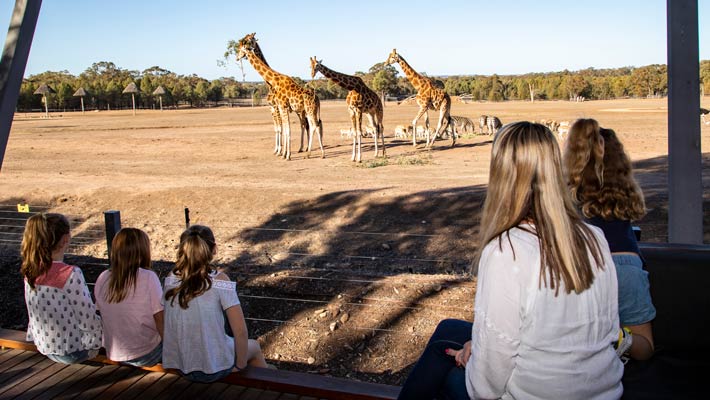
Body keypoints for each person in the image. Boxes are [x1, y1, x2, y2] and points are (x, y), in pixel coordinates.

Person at [398, 122, 623, 399]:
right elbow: (611, 328)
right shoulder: (595, 237)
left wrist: (472, 359)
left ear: (501, 175)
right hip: (603, 390)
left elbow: (487, 386)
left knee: (446, 372)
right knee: (449, 330)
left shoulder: (507, 251)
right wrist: (477, 345)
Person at [564, 118, 656, 361]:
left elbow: (645, 350)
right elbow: (645, 345)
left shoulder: (567, 236)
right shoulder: (624, 252)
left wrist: (605, 333)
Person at [162, 225, 268, 382]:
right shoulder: (220, 281)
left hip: (180, 364)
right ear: (214, 249)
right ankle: (266, 383)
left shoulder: (171, 278)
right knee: (254, 347)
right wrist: (239, 365)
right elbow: (240, 331)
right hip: (213, 367)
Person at [21, 213, 102, 364]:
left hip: (44, 347)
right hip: (73, 352)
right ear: (66, 239)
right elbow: (88, 320)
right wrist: (97, 342)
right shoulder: (70, 273)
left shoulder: (30, 269)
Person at [94, 228, 164, 367]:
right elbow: (160, 319)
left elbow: (101, 312)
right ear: (142, 250)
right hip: (146, 354)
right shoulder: (149, 277)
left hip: (114, 352)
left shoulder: (103, 277)